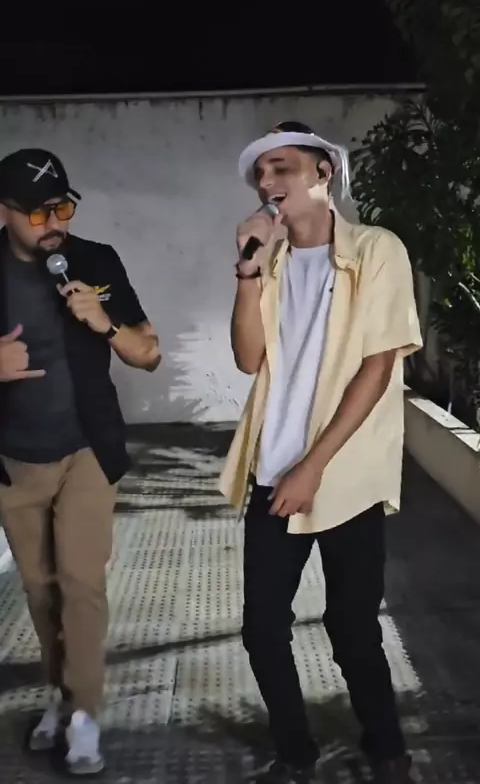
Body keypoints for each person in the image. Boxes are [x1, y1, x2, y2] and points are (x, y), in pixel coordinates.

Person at [219, 122, 423, 784]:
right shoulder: (272, 262)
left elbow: (378, 365)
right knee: (262, 630)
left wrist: (313, 467)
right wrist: (248, 269)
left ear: (323, 173)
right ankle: (295, 754)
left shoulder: (375, 250)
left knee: (353, 628)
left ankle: (388, 751)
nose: (267, 183)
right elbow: (248, 357)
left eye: (281, 168)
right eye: (260, 174)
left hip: (343, 475)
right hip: (271, 469)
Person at [0, 148, 161, 776]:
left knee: (80, 584)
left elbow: (149, 353)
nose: (53, 224)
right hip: (15, 459)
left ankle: (85, 715)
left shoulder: (94, 262)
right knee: (40, 591)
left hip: (88, 450)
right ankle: (60, 695)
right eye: (38, 213)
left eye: (62, 208)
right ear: (4, 211)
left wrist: (105, 324)